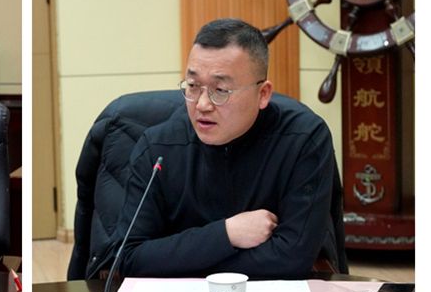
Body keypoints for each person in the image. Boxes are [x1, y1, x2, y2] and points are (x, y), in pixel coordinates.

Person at [112, 20, 339, 278]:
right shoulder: (158, 148)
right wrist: (226, 234)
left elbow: (293, 259)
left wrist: (178, 260)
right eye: (192, 86)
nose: (202, 104)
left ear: (263, 94)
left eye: (220, 90)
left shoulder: (303, 140)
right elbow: (129, 257)